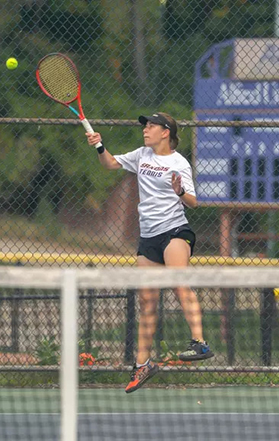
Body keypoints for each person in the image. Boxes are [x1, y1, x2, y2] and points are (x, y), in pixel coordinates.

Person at [85, 112, 214, 394]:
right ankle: (143, 364)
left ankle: (199, 342)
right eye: (146, 125)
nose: (146, 129)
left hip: (175, 231)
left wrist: (179, 191)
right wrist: (99, 145)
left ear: (166, 132)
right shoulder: (142, 155)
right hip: (148, 237)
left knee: (180, 282)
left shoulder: (178, 163)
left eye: (152, 126)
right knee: (147, 301)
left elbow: (193, 202)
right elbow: (110, 163)